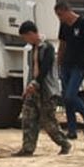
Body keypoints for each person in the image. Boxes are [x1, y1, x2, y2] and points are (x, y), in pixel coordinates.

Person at [12, 20, 72, 157]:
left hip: (46, 90)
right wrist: (28, 86)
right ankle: (28, 148)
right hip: (33, 89)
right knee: (28, 119)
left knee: (48, 121)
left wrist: (34, 84)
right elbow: (32, 70)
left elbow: (44, 69)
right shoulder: (31, 49)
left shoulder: (48, 48)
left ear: (31, 34)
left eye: (25, 37)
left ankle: (64, 143)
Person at [55, 1, 84, 138]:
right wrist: (58, 62)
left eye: (60, 15)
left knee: (70, 95)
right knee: (66, 99)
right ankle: (72, 130)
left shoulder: (83, 23)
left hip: (79, 64)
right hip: (66, 63)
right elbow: (62, 44)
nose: (60, 18)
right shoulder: (64, 26)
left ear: (67, 11)